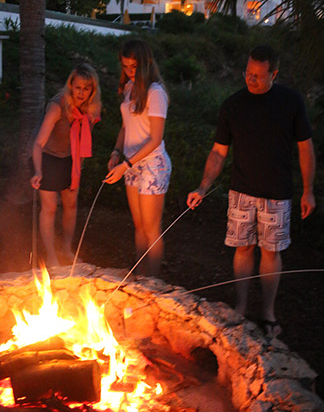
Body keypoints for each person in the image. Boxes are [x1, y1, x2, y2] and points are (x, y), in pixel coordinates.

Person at [187, 44, 316, 337]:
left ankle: (268, 312)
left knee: (270, 252)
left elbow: (305, 148)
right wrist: (203, 186)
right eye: (248, 73)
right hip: (241, 192)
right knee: (242, 248)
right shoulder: (233, 105)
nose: (251, 80)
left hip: (277, 194)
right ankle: (242, 306)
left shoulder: (290, 102)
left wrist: (308, 190)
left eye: (259, 75)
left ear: (274, 73)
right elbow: (219, 152)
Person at [104, 39, 171, 277]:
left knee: (152, 229)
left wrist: (126, 164)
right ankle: (140, 277)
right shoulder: (130, 89)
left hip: (152, 165)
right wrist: (115, 152)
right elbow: (126, 127)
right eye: (125, 66)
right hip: (130, 164)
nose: (129, 71)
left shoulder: (156, 93)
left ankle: (153, 284)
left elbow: (155, 139)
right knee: (139, 226)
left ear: (145, 63)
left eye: (133, 66)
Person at [30, 63, 101, 267]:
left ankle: (66, 249)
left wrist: (78, 169)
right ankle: (51, 255)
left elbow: (82, 143)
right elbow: (38, 142)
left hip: (70, 158)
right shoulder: (56, 107)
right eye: (77, 87)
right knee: (50, 207)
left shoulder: (90, 109)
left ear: (92, 90)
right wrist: (37, 170)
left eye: (86, 88)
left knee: (70, 205)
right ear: (71, 86)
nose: (81, 93)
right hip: (46, 157)